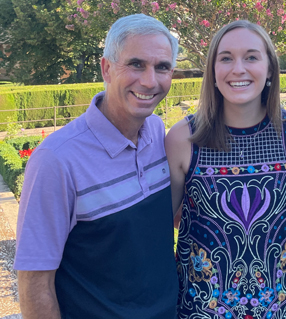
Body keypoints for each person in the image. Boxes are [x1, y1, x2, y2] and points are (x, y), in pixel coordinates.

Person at [14, 14, 179, 319]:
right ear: (106, 68)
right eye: (136, 64)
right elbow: (35, 283)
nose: (149, 81)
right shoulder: (56, 160)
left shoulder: (158, 133)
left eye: (162, 67)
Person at [165, 20, 286, 319]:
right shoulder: (183, 138)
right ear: (213, 72)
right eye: (226, 58)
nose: (238, 68)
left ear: (270, 69)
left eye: (251, 57)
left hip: (279, 308)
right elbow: (161, 223)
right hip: (200, 309)